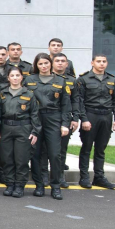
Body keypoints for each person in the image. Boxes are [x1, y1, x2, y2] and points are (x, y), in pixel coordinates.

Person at [25, 53, 72, 199]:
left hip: (54, 118)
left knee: (54, 154)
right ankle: (39, 185)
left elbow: (66, 105)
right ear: (36, 65)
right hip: (35, 119)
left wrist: (65, 124)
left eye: (46, 63)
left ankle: (56, 187)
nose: (44, 66)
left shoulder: (61, 81)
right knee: (36, 154)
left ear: (50, 64)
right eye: (40, 64)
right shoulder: (29, 80)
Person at [75, 54, 115, 190]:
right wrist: (84, 119)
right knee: (86, 148)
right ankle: (84, 177)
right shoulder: (83, 79)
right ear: (92, 63)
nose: (101, 64)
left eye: (104, 61)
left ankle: (99, 177)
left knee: (101, 149)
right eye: (98, 61)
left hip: (106, 116)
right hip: (90, 114)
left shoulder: (111, 79)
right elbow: (79, 101)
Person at [0, 66, 40, 198]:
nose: (15, 78)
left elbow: (35, 114)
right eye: (12, 76)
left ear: (22, 77)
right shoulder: (2, 93)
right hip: (6, 128)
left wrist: (35, 131)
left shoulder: (29, 94)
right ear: (8, 78)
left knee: (21, 159)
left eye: (17, 76)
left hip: (23, 128)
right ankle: (10, 184)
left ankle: (20, 186)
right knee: (7, 158)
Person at [51, 52, 76, 187]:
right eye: (57, 61)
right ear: (52, 63)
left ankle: (60, 176)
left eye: (63, 61)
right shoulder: (47, 78)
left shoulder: (72, 80)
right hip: (49, 117)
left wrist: (75, 118)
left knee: (61, 150)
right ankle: (44, 176)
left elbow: (77, 101)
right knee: (43, 150)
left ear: (67, 64)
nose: (60, 63)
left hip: (65, 118)